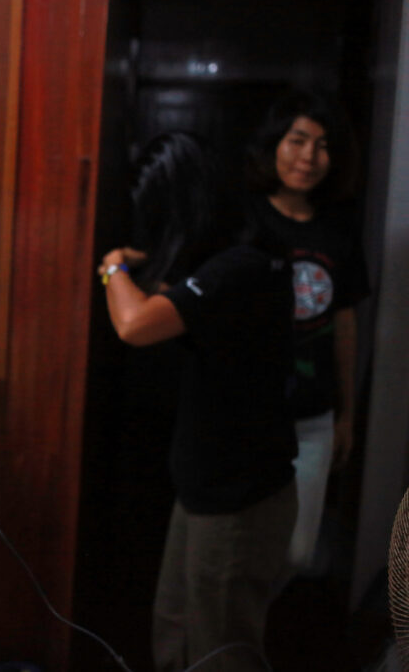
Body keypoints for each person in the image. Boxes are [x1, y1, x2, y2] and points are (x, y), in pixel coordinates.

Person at [98, 133, 297, 671]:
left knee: (219, 651)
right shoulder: (224, 265)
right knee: (176, 628)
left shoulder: (242, 267)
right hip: (207, 489)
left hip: (239, 499)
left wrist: (112, 265)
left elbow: (134, 324)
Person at [246, 90, 369, 573]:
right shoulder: (246, 219)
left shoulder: (338, 228)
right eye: (297, 141)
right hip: (249, 414)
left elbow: (344, 321)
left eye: (323, 145)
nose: (309, 157)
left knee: (296, 551)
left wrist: (347, 414)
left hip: (313, 416)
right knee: (241, 547)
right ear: (274, 144)